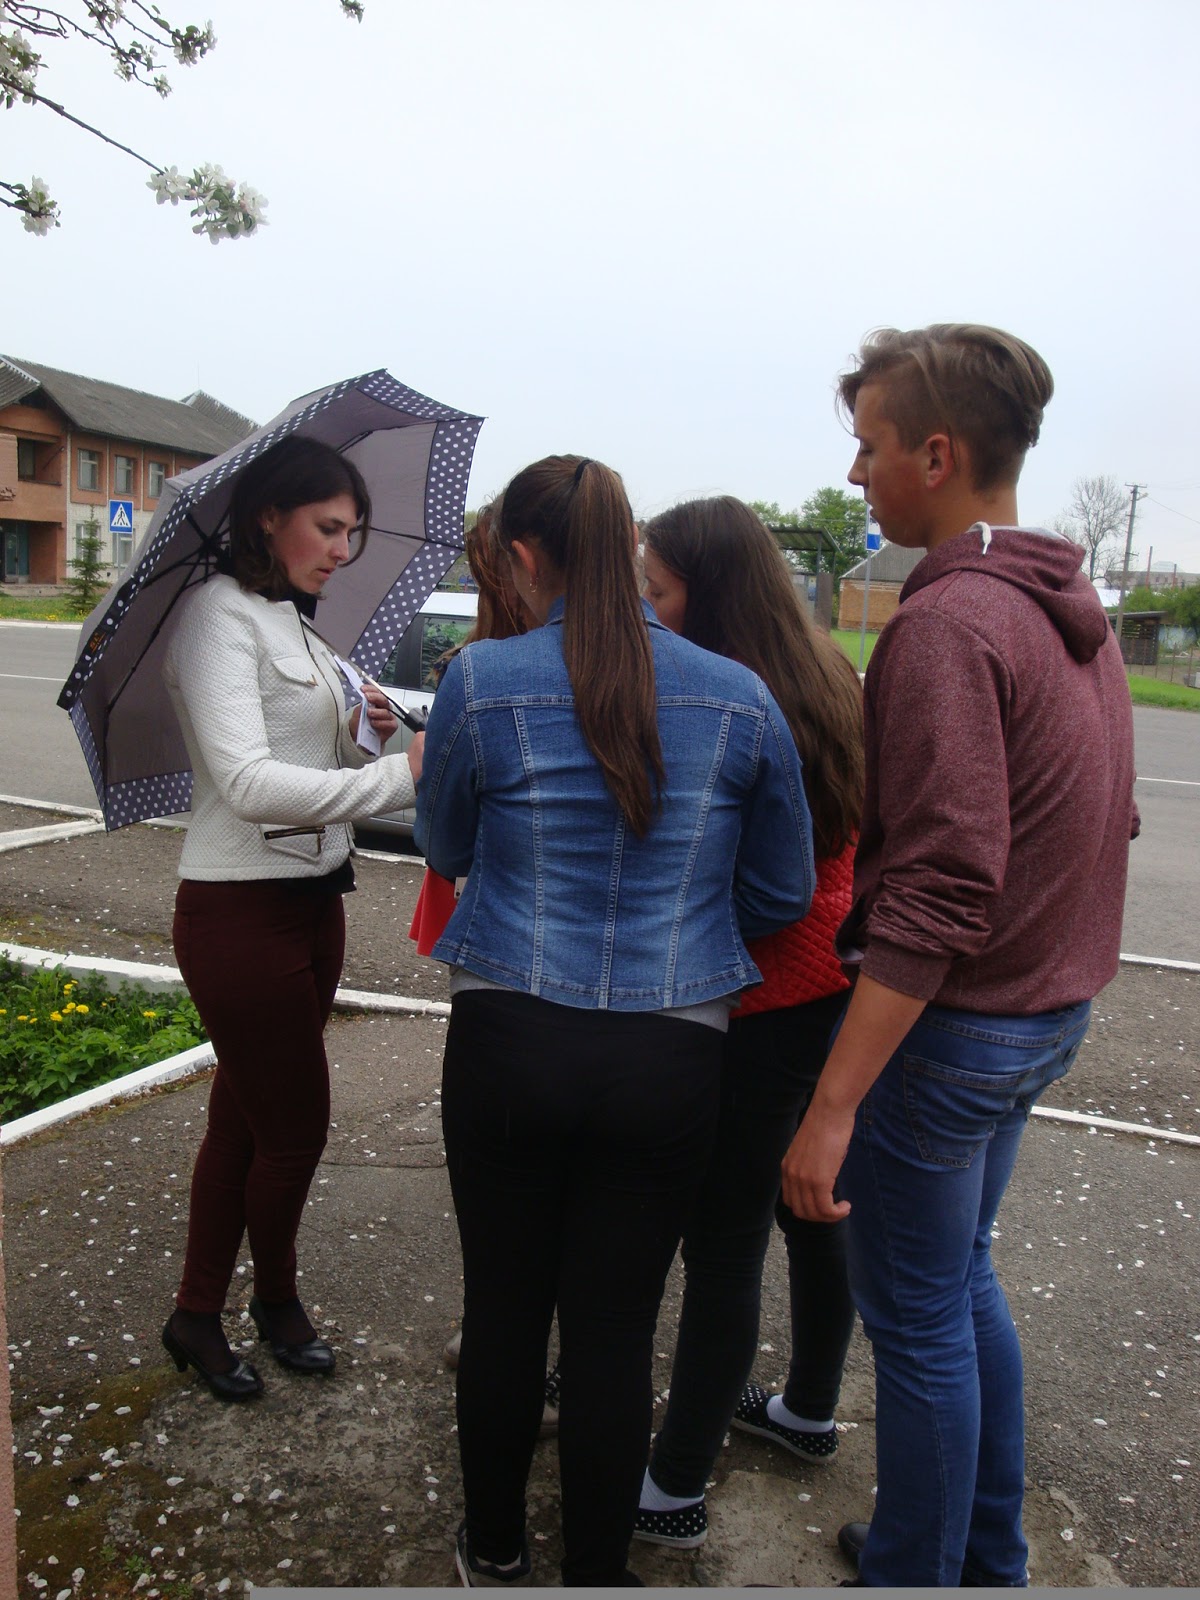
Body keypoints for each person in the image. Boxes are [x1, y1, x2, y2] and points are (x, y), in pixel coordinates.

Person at [415, 454, 815, 1588]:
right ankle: (597, 1571)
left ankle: (495, 1551)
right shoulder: (738, 695)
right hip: (671, 1051)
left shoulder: (481, 679)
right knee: (616, 1327)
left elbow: (444, 845)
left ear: (525, 556)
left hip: (507, 1034)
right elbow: (781, 891)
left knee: (504, 1309)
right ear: (631, 545)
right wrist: (683, 923)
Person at [781, 325, 1139, 1587]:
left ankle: (916, 1572)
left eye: (870, 446)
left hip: (956, 1032)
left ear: (936, 455)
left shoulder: (950, 625)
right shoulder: (1068, 610)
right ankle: (983, 1556)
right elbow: (1106, 823)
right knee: (958, 1283)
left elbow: (938, 889)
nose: (857, 473)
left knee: (918, 1315)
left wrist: (833, 1104)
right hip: (1045, 1012)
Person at [160, 436, 424, 1401]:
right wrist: (403, 777)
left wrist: (368, 735)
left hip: (314, 903)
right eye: (328, 527)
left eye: (354, 532)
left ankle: (196, 1312)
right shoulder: (216, 618)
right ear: (269, 517)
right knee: (294, 1131)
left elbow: (317, 763)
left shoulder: (296, 626)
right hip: (239, 912)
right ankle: (275, 1302)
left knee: (244, 1118)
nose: (342, 550)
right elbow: (246, 783)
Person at [633, 495, 864, 1550]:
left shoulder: (730, 694)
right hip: (833, 992)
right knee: (812, 1207)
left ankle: (675, 1484)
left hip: (754, 994)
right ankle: (808, 1408)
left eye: (659, 590)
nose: (648, 608)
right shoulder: (829, 672)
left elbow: (734, 872)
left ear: (711, 591)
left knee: (722, 1241)